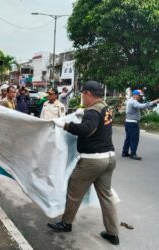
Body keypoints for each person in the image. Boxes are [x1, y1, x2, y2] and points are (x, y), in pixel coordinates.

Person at [48, 81, 120, 246]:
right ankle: (113, 233)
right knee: (106, 197)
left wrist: (65, 125)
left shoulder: (93, 111)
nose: (82, 97)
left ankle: (66, 223)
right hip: (109, 158)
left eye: (82, 94)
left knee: (74, 192)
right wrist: (84, 114)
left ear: (88, 93)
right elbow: (97, 125)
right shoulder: (104, 107)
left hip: (93, 161)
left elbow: (87, 129)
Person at [121, 89, 159, 160]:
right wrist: (154, 101)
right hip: (133, 123)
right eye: (139, 96)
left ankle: (125, 152)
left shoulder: (129, 100)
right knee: (134, 139)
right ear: (135, 95)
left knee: (128, 138)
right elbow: (142, 106)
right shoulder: (133, 102)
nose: (140, 97)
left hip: (128, 122)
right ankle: (133, 154)